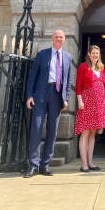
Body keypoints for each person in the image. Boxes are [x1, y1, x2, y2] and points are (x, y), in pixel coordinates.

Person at [24, 30, 72, 178]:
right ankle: (33, 166)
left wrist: (66, 98)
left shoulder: (68, 57)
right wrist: (29, 95)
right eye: (56, 36)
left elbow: (68, 80)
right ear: (52, 39)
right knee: (37, 128)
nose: (59, 39)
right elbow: (33, 77)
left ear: (64, 40)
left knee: (52, 131)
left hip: (57, 96)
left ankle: (45, 165)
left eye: (61, 37)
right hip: (40, 95)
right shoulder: (42, 54)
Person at [75, 45, 105, 172]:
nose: (95, 55)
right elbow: (78, 84)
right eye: (93, 53)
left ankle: (90, 162)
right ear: (89, 54)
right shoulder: (84, 66)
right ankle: (84, 164)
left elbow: (103, 85)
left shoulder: (101, 68)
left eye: (97, 53)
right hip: (87, 102)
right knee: (85, 132)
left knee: (93, 133)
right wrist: (79, 101)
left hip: (98, 104)